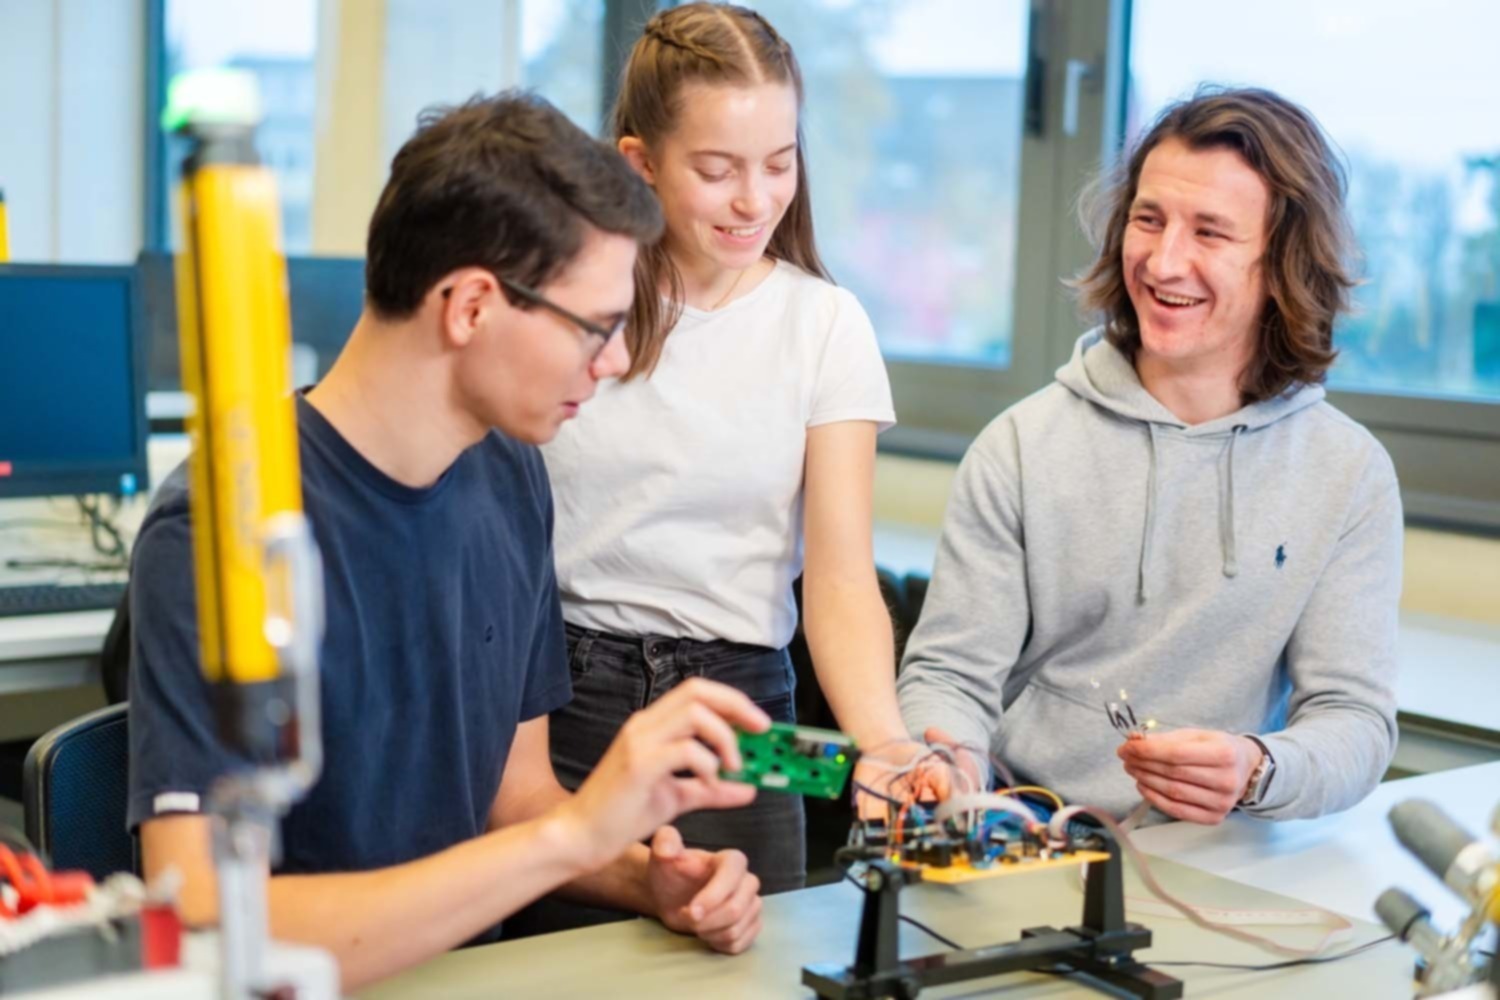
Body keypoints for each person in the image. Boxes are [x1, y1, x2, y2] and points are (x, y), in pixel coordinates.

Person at [127, 93, 768, 992]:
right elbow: (202, 914)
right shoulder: (223, 530)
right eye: (597, 327)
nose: (617, 361)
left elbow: (517, 800)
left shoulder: (510, 472)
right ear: (470, 306)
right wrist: (574, 836)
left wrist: (645, 880)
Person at [897, 86, 1403, 826]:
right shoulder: (1021, 446)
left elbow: (1354, 721)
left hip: (1225, 854)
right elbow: (949, 677)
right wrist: (949, 768)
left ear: (1282, 263)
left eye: (1210, 233)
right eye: (1149, 219)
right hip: (1027, 833)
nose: (1164, 264)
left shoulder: (1349, 473)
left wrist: (1257, 768)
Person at [539, 3, 906, 893]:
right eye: (717, 170)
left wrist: (885, 743)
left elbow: (840, 579)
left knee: (751, 946)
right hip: (566, 694)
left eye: (779, 164)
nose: (755, 200)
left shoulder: (825, 323)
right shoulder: (573, 304)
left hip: (747, 716)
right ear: (640, 163)